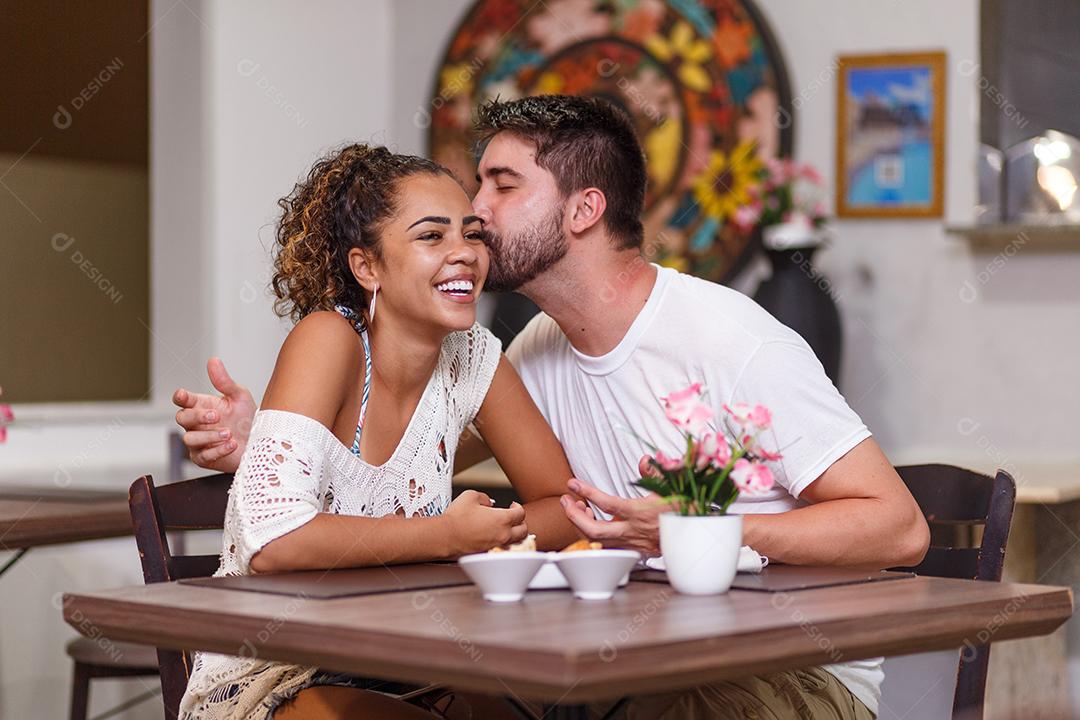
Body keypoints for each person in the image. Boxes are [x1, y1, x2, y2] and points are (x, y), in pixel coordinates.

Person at [177, 96, 930, 719]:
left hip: (780, 669)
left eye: (500, 187)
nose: (477, 215)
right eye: (467, 197)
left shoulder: (732, 339)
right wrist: (271, 438)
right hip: (630, 658)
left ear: (582, 210)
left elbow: (899, 526)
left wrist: (703, 532)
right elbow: (405, 445)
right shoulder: (539, 345)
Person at [176, 143, 581, 720]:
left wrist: (488, 530)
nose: (463, 254)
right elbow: (273, 541)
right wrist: (450, 536)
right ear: (367, 267)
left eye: (471, 234)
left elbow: (564, 504)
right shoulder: (328, 340)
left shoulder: (471, 356)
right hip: (281, 669)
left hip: (411, 656)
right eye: (431, 237)